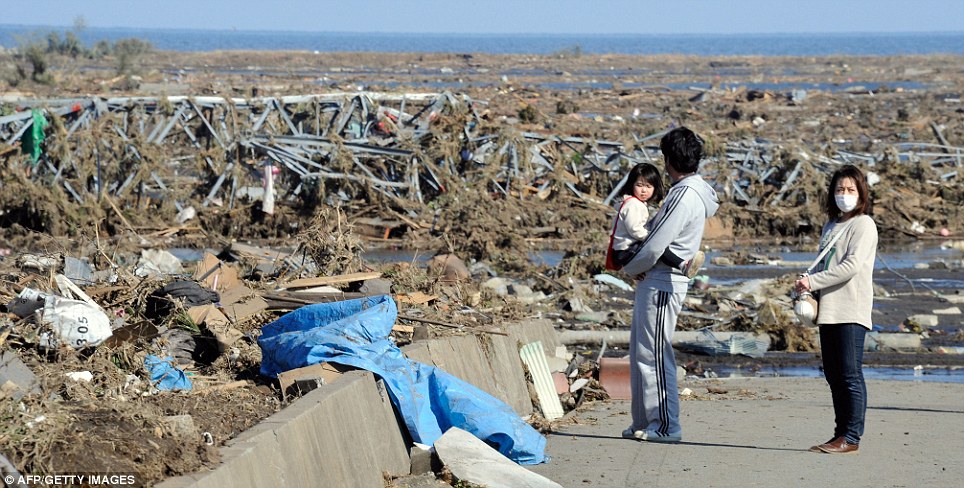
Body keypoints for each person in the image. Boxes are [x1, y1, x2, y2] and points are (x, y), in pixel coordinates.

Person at [620, 127, 719, 442]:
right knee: (641, 351)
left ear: (667, 160)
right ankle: (644, 421)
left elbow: (654, 242)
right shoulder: (689, 190)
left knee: (654, 353)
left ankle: (665, 425)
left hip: (663, 281)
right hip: (658, 279)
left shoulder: (684, 195)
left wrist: (630, 267)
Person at [794, 164, 878, 454]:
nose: (845, 194)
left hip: (851, 308)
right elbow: (826, 263)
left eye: (850, 190)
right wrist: (808, 288)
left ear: (861, 193)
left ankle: (851, 437)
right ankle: (839, 433)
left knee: (849, 373)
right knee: (833, 374)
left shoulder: (864, 225)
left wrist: (812, 280)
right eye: (840, 189)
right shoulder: (831, 225)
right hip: (828, 309)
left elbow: (851, 267)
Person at [610, 163, 705, 278]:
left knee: (657, 246)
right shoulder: (633, 205)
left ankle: (637, 270)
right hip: (624, 251)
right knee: (658, 247)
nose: (644, 190)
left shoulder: (635, 203)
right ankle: (683, 265)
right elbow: (635, 230)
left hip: (624, 250)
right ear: (632, 185)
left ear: (655, 188)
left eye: (648, 186)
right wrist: (652, 237)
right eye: (639, 185)